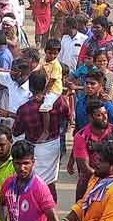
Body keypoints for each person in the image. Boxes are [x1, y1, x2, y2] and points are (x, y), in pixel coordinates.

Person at [12, 71, 70, 200]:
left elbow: (16, 131)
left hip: (34, 148)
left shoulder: (24, 109)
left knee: (32, 182)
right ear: (45, 85)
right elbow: (67, 117)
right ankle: (51, 210)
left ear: (30, 87)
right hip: (53, 145)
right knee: (49, 183)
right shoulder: (59, 101)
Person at [0, 141, 60, 221]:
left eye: (26, 163)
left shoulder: (39, 187)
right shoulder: (8, 183)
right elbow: (2, 204)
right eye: (18, 163)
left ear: (33, 162)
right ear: (12, 162)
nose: (22, 168)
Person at [72, 99, 113, 201]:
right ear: (90, 117)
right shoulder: (81, 136)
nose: (105, 118)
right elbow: (84, 167)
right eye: (99, 115)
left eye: (105, 114)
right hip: (89, 182)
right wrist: (104, 181)